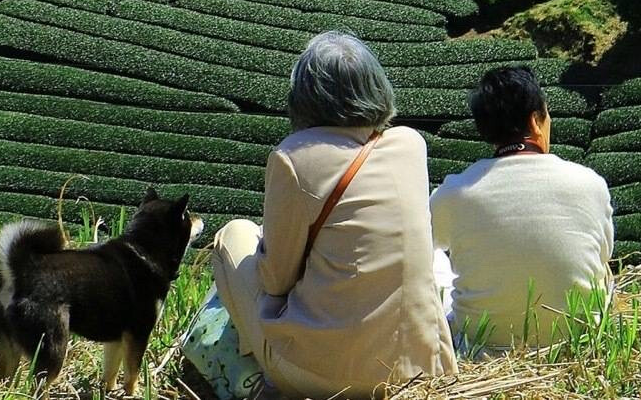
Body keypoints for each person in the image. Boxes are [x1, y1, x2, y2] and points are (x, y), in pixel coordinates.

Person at [212, 32, 457, 399]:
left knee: (233, 236)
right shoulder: (411, 144)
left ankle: (267, 370)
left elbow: (276, 279)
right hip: (417, 368)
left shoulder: (293, 157)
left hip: (327, 376)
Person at [430, 66, 613, 352]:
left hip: (483, 352)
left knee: (432, 259)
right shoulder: (590, 183)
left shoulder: (454, 192)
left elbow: (423, 244)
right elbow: (601, 260)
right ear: (536, 121)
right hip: (577, 347)